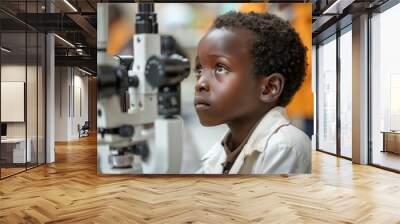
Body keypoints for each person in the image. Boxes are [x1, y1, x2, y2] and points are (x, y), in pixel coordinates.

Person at [194, 11, 311, 174]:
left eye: (220, 68)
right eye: (199, 70)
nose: (200, 83)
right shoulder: (219, 152)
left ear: (269, 87)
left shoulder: (285, 147)